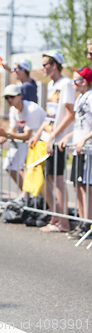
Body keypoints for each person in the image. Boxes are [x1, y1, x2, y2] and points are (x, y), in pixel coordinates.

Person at [29, 50, 74, 232]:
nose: (43, 68)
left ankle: (64, 222)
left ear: (54, 65)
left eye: (45, 64)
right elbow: (50, 116)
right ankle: (55, 216)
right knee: (48, 177)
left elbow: (70, 114)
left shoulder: (66, 84)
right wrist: (38, 133)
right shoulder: (53, 84)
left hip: (58, 140)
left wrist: (54, 136)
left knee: (58, 179)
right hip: (48, 138)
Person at [0, 84, 46, 204]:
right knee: (10, 166)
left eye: (12, 97)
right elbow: (12, 129)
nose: (9, 100)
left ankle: (37, 199)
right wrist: (3, 136)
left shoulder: (32, 109)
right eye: (6, 98)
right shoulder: (13, 110)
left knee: (37, 174)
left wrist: (6, 135)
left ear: (20, 96)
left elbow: (26, 135)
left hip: (43, 141)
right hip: (31, 142)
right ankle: (27, 196)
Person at [58, 67, 92, 239]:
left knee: (87, 187)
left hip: (88, 149)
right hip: (78, 149)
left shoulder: (91, 97)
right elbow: (79, 125)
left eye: (75, 80)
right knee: (77, 185)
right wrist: (69, 136)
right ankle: (82, 221)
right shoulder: (80, 98)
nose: (72, 84)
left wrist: (84, 140)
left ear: (84, 82)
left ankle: (89, 223)